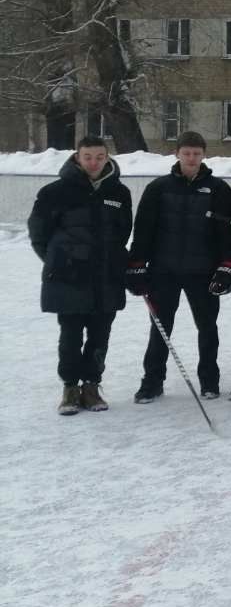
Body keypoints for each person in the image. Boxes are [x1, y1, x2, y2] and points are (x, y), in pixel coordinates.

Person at [127, 131, 231, 402]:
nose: (191, 158)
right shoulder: (158, 188)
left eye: (196, 154)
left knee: (208, 327)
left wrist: (228, 266)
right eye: (186, 153)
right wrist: (136, 265)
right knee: (160, 327)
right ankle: (152, 381)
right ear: (177, 154)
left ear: (203, 155)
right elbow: (142, 230)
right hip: (163, 271)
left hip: (203, 272)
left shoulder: (218, 189)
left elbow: (226, 232)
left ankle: (209, 380)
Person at [28, 137, 133, 415]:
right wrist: (59, 261)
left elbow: (123, 232)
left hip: (106, 278)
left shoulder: (119, 192)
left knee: (100, 335)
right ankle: (70, 389)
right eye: (88, 157)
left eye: (99, 157)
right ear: (77, 157)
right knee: (71, 336)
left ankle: (91, 386)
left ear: (107, 158)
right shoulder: (54, 192)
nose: (93, 163)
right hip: (69, 278)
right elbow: (39, 236)